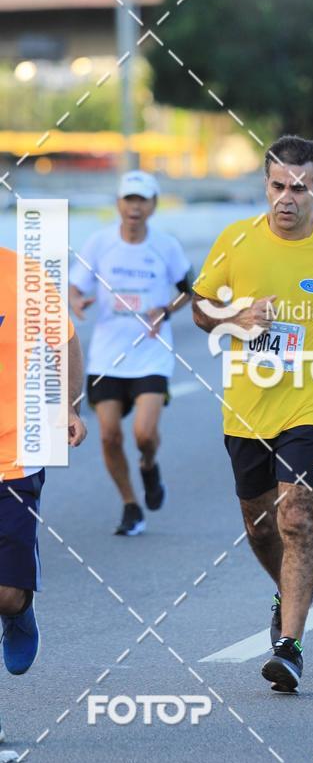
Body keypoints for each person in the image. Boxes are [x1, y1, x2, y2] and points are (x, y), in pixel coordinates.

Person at [192, 135, 313, 692]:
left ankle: (290, 646)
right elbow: (201, 307)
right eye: (278, 185)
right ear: (266, 185)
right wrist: (235, 316)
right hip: (248, 407)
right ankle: (285, 589)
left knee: (296, 517)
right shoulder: (236, 240)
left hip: (312, 401)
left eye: (299, 188)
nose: (287, 198)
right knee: (260, 526)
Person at [69, 170, 193, 536]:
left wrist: (166, 309)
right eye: (129, 199)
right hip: (107, 356)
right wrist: (76, 302)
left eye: (142, 200)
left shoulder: (166, 246)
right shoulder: (99, 242)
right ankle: (130, 505)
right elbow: (75, 286)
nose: (134, 207)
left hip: (151, 353)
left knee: (143, 434)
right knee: (109, 436)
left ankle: (149, 465)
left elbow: (191, 290)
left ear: (153, 205)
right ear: (118, 204)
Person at [0, 246, 86, 734]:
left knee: (8, 595)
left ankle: (19, 611)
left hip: (15, 456)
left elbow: (65, 340)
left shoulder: (23, 274)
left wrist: (69, 405)